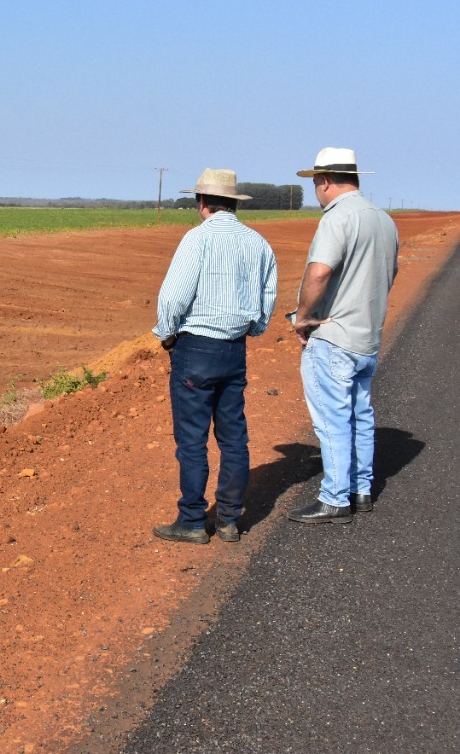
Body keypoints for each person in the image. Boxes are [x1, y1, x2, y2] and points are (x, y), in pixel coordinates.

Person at [152, 169, 278, 544]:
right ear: (235, 203)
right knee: (233, 436)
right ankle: (227, 519)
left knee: (192, 439)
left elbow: (173, 296)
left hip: (196, 348)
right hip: (234, 349)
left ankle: (192, 521)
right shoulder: (257, 242)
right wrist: (253, 329)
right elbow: (267, 296)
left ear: (201, 202)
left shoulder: (197, 239)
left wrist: (166, 333)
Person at [288, 148, 398, 524]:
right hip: (368, 336)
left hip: (334, 335)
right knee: (360, 414)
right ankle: (361, 489)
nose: (315, 191)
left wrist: (303, 318)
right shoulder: (383, 220)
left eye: (315, 183)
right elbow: (388, 275)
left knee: (333, 419)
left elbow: (319, 272)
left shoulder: (337, 219)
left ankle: (335, 497)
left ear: (325, 181)